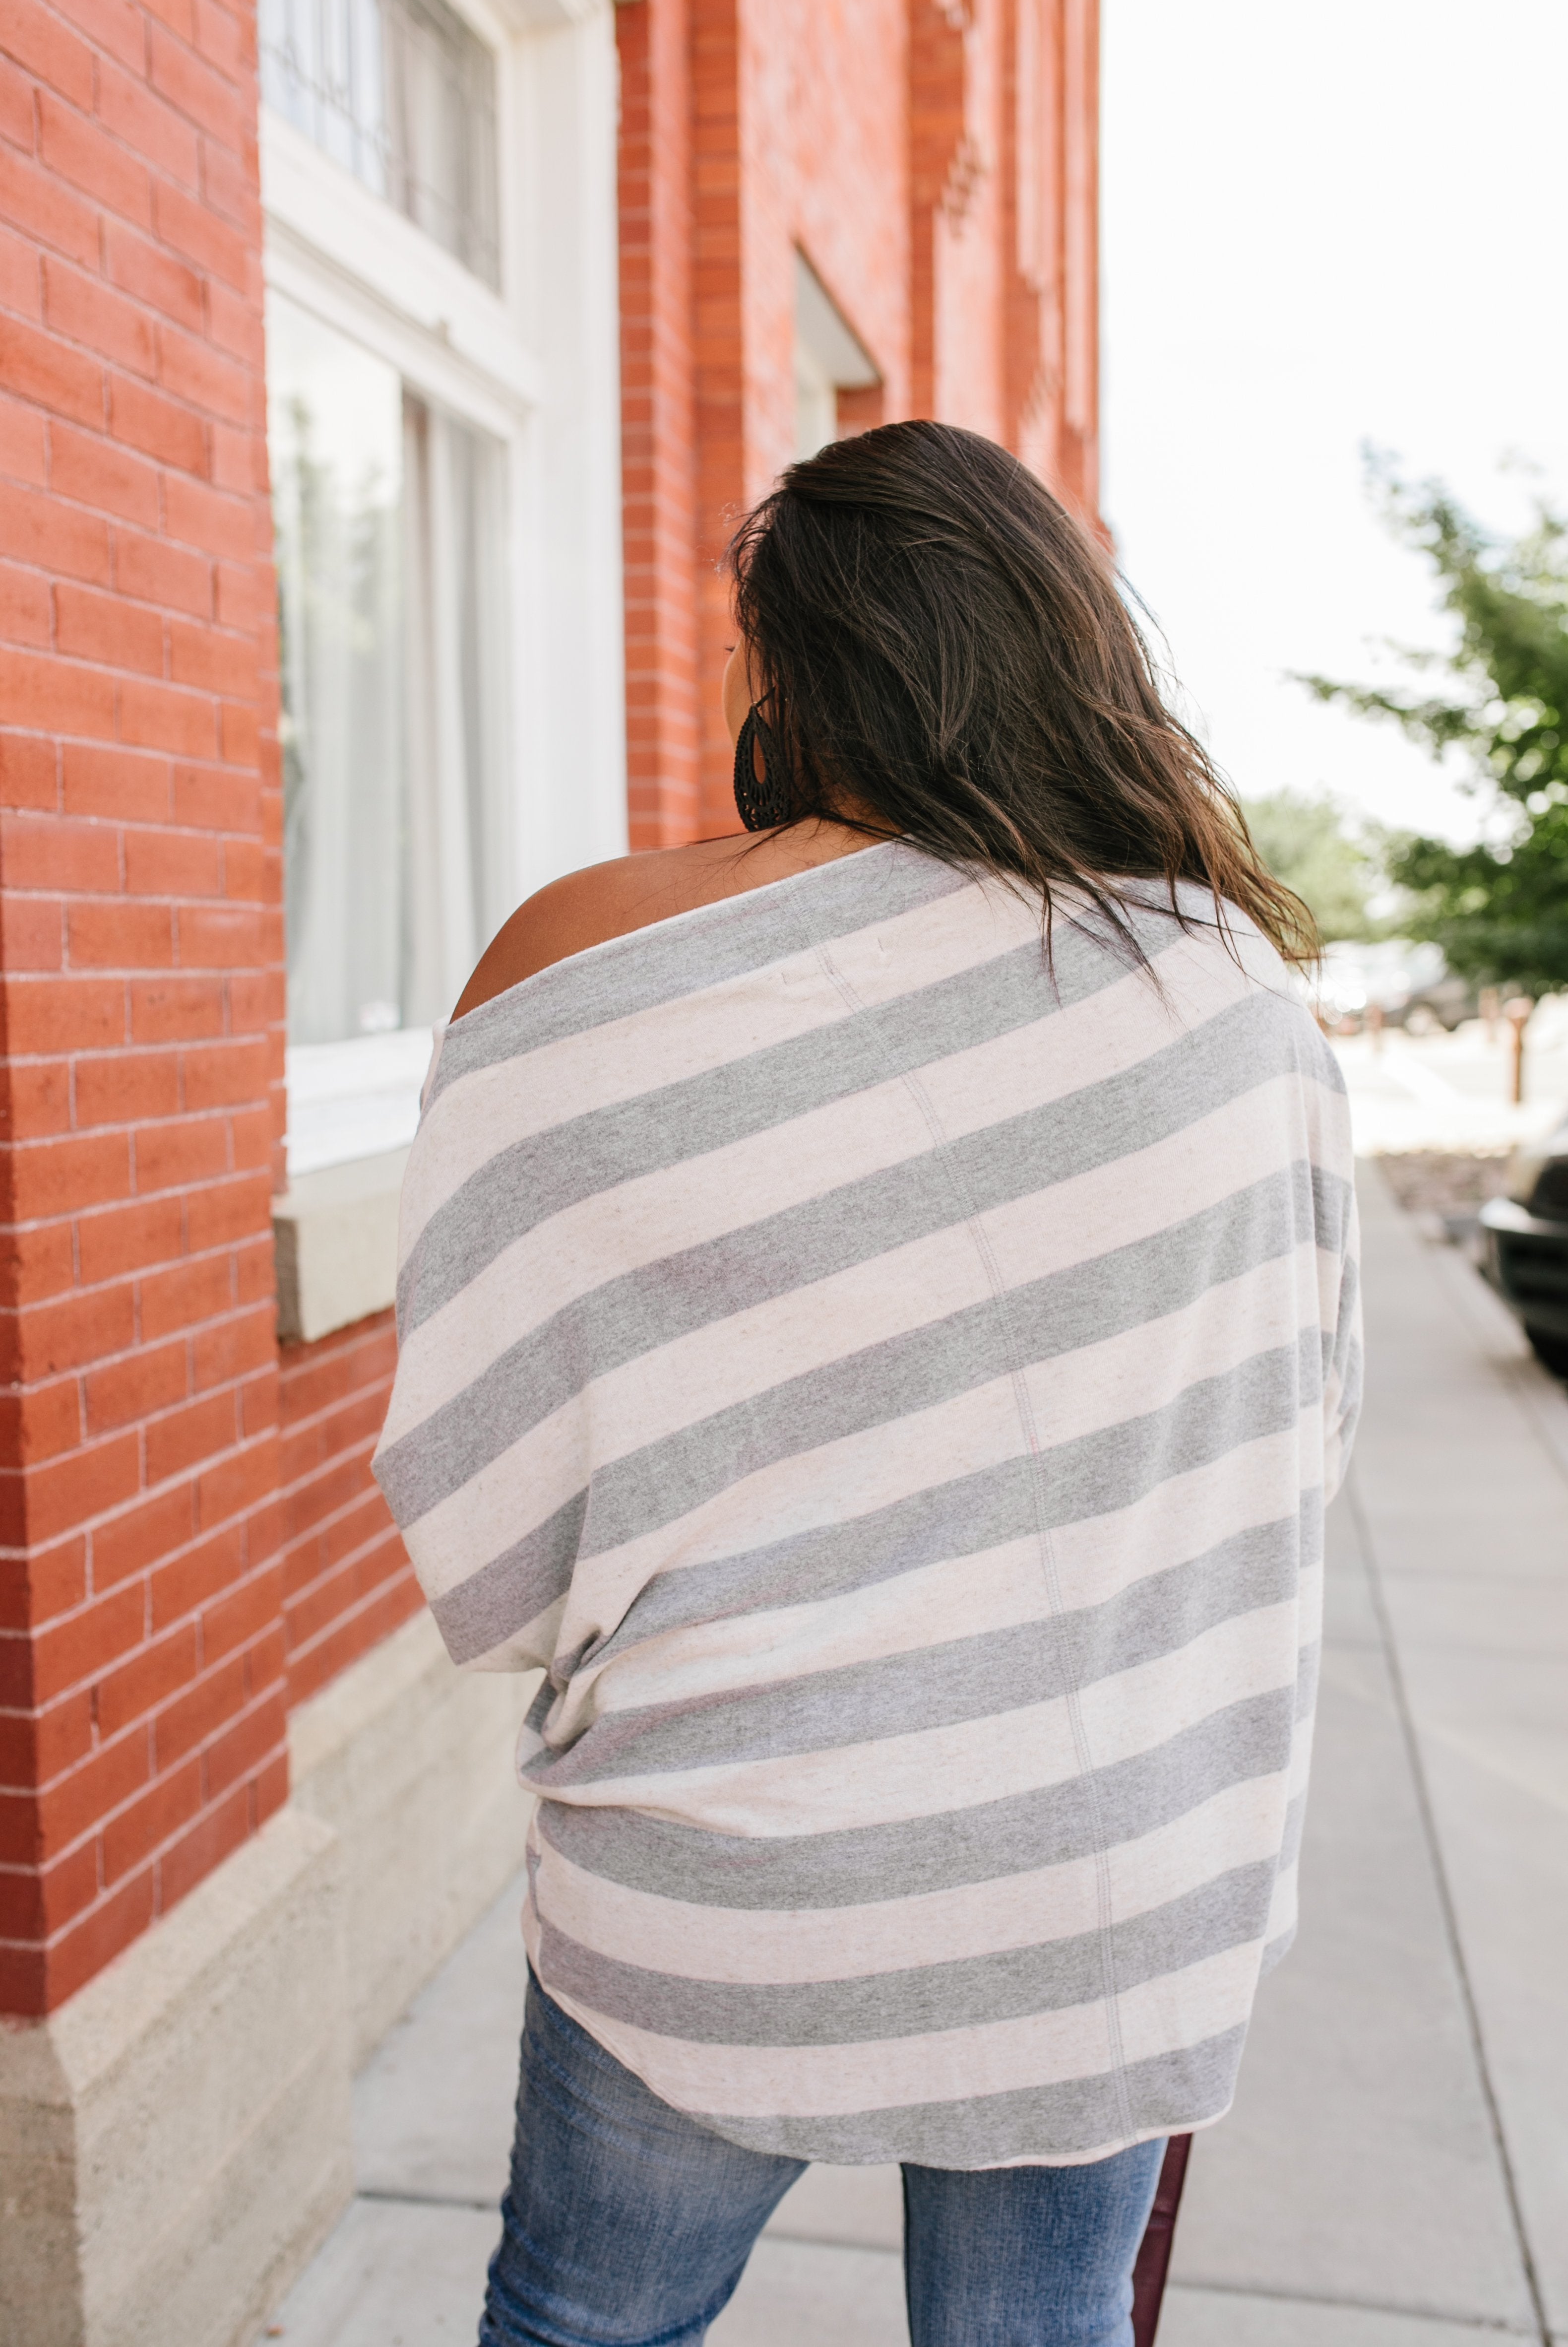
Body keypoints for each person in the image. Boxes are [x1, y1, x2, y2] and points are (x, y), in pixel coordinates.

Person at [372, 420, 1361, 2347]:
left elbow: (488, 1530)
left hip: (724, 1871)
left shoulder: (583, 960)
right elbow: (1286, 1447)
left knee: (583, 2321)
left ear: (789, 666)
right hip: (1102, 1875)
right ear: (1066, 648)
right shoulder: (1235, 1002)